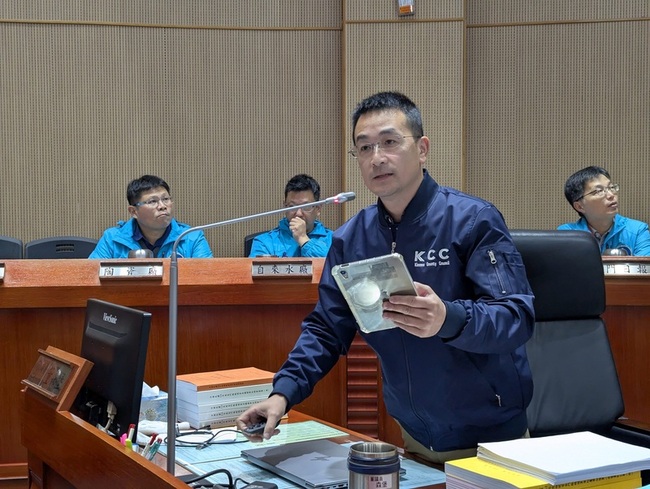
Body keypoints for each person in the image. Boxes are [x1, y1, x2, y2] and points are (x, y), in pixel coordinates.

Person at [237, 92, 535, 464]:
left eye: (390, 142)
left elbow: (515, 316)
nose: (377, 157)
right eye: (364, 148)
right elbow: (326, 328)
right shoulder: (352, 238)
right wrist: (283, 393)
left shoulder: (472, 220)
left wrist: (448, 318)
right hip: (414, 434)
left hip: (494, 437)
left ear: (422, 149)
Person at [89, 175, 213, 259]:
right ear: (133, 211)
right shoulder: (112, 239)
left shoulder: (191, 237)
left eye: (166, 199)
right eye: (153, 201)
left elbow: (208, 280)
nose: (162, 206)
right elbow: (90, 278)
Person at [558, 166, 650, 256]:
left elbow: (644, 265)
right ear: (579, 206)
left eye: (611, 187)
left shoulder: (637, 230)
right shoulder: (566, 234)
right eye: (599, 191)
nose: (611, 195)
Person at [248, 174, 333, 258]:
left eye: (306, 207)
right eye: (292, 206)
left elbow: (332, 264)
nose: (298, 213)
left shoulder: (334, 239)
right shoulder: (264, 242)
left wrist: (303, 239)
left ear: (318, 208)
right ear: (285, 207)